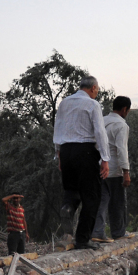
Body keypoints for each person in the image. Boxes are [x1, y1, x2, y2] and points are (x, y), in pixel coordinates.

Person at [53, 76, 110, 250]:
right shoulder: (93, 105)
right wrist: (105, 159)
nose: (97, 92)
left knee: (72, 190)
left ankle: (68, 207)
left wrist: (59, 155)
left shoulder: (64, 103)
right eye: (97, 89)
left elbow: (58, 128)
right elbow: (100, 132)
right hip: (85, 152)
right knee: (91, 197)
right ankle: (83, 239)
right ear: (93, 88)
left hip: (66, 151)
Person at [92, 96, 132, 242]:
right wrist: (126, 171)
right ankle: (118, 232)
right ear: (124, 109)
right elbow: (122, 150)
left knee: (101, 200)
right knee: (117, 202)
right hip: (114, 169)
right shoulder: (121, 125)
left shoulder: (102, 120)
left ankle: (97, 231)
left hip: (99, 166)